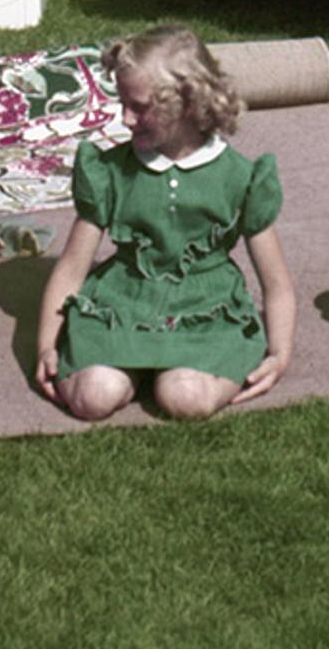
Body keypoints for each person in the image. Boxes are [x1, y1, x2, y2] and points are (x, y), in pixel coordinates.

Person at [32, 26, 296, 420]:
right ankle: (127, 368)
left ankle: (163, 370)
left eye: (139, 107)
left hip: (207, 308)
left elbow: (276, 284)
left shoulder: (240, 177)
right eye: (123, 103)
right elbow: (72, 268)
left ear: (187, 104)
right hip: (121, 303)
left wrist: (279, 354)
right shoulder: (109, 171)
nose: (124, 118)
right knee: (93, 397)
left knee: (185, 397)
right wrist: (45, 347)